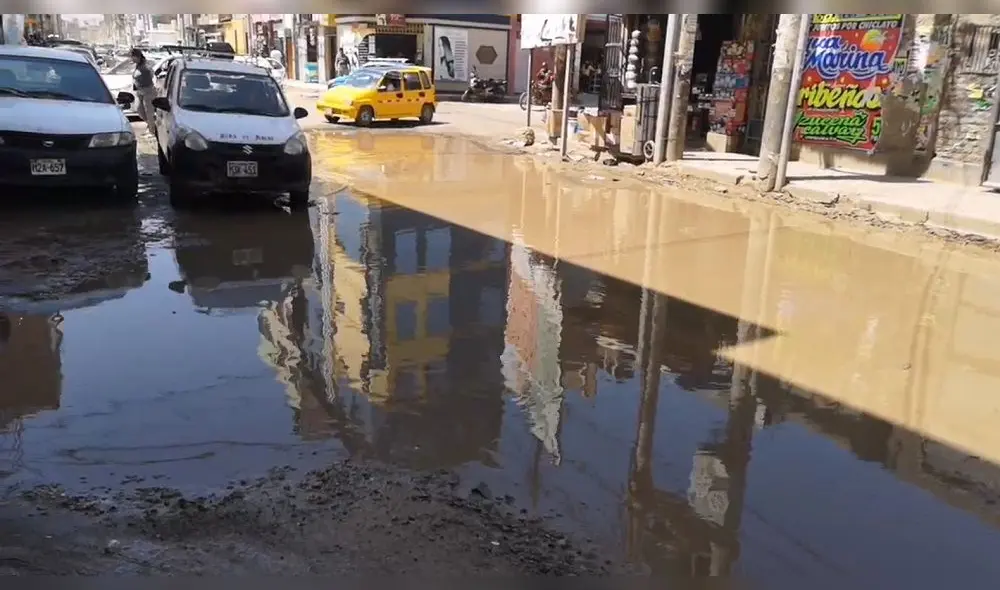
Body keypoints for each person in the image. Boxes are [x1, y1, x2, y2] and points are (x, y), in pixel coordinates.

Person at [130, 48, 155, 135]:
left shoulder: (145, 66)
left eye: (133, 57)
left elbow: (151, 74)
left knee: (149, 111)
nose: (132, 59)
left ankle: (152, 131)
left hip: (148, 91)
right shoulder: (137, 65)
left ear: (137, 57)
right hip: (139, 91)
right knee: (139, 110)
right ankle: (150, 125)